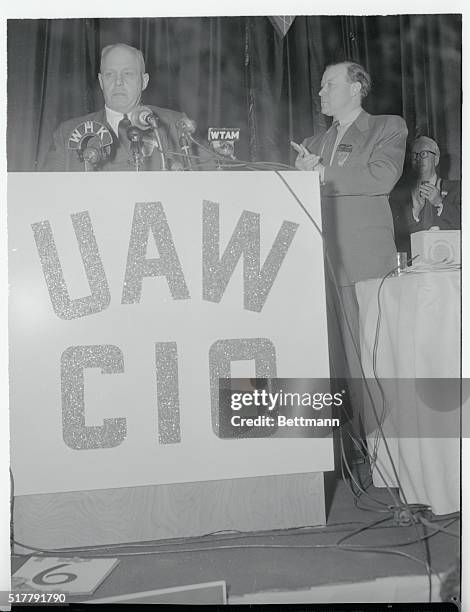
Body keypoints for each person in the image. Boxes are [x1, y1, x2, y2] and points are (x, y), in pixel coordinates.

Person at [293, 61, 407, 442]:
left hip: (367, 264)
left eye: (329, 84)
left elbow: (382, 176)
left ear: (357, 87)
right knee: (347, 367)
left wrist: (321, 173)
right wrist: (300, 175)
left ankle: (395, 451)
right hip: (325, 267)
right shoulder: (315, 143)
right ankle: (369, 449)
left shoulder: (386, 127)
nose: (321, 91)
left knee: (377, 362)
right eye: (321, 85)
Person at [41, 44, 189, 171]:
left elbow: (207, 181)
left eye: (128, 74)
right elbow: (48, 194)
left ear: (144, 81)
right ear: (101, 81)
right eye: (110, 74)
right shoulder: (66, 133)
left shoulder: (177, 125)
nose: (118, 82)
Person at [407, 136, 461, 232]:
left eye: (423, 154)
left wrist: (440, 202)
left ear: (436, 159)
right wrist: (416, 213)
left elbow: (465, 223)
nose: (418, 159)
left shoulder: (458, 188)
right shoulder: (403, 195)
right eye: (414, 155)